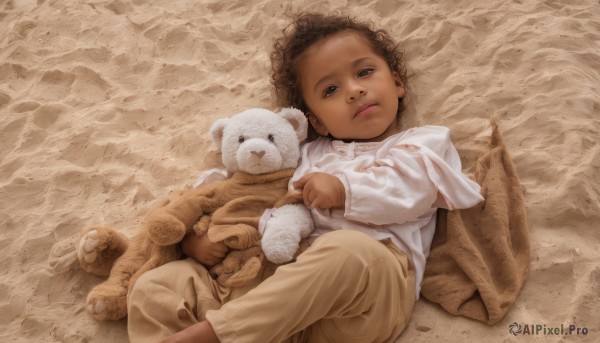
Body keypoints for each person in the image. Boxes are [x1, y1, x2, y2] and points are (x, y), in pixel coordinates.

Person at [127, 12, 484, 343]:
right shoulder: (310, 154)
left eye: (364, 72)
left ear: (397, 82)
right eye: (331, 90)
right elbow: (246, 190)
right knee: (155, 287)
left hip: (369, 293)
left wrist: (344, 189)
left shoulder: (423, 142)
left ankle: (212, 336)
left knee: (348, 252)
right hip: (279, 294)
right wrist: (196, 237)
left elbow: (411, 192)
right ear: (317, 122)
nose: (353, 90)